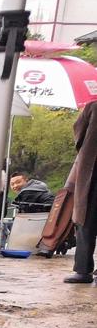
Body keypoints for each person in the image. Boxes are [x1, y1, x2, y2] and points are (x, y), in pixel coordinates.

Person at [65, 99, 97, 284]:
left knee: (85, 220)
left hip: (92, 169)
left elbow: (79, 131)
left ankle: (83, 270)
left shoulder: (93, 105)